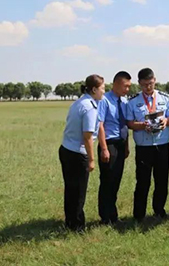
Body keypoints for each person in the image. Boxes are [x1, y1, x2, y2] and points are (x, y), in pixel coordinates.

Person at [126, 68, 169, 221]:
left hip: (162, 144)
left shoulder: (164, 98)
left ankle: (159, 210)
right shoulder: (133, 101)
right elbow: (129, 123)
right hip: (144, 146)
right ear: (139, 83)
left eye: (150, 83)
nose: (148, 87)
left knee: (161, 180)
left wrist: (166, 121)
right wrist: (142, 126)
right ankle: (139, 214)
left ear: (154, 80)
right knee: (143, 181)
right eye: (144, 85)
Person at [59, 74, 105, 231]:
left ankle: (70, 221)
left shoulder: (78, 103)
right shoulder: (90, 108)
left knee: (70, 189)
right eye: (102, 88)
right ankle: (77, 226)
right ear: (94, 89)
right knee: (79, 192)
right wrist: (91, 160)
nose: (104, 92)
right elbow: (87, 137)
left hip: (66, 149)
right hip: (78, 154)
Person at [97, 71, 132, 225]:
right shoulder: (104, 100)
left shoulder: (124, 102)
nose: (127, 89)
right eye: (125, 86)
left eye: (129, 86)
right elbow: (100, 125)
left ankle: (113, 215)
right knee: (107, 180)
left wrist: (126, 145)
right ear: (116, 84)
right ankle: (105, 216)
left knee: (116, 180)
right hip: (109, 143)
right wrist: (104, 149)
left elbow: (125, 125)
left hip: (120, 143)